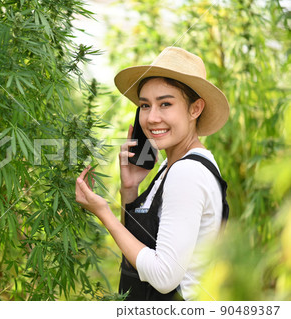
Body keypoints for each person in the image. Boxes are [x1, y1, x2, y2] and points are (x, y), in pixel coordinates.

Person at [75, 47, 229, 301]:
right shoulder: (173, 167)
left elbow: (164, 276)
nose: (152, 117)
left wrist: (104, 212)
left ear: (195, 109)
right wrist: (130, 189)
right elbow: (140, 248)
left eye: (165, 104)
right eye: (145, 105)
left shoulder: (186, 173)